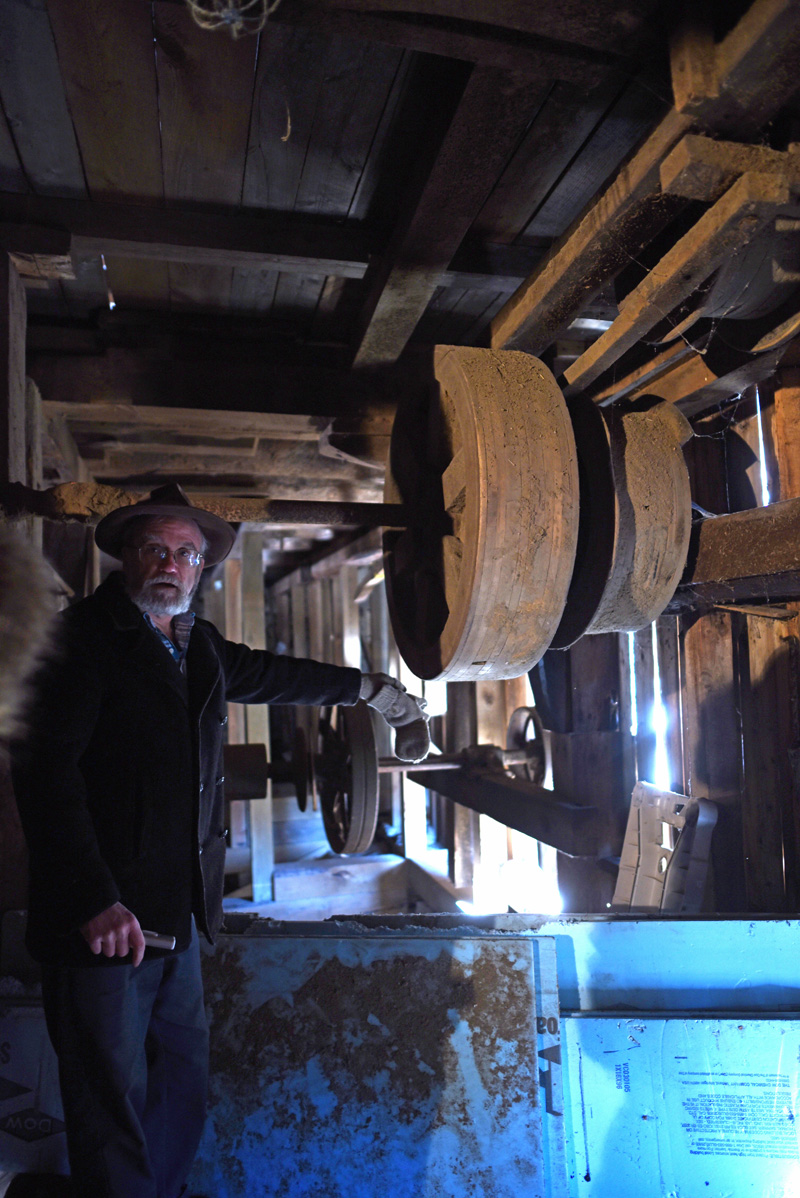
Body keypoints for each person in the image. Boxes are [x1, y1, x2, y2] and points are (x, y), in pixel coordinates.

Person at [11, 484, 429, 1198]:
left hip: (178, 922)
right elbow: (43, 773)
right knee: (110, 1104)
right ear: (127, 559)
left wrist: (376, 690)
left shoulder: (196, 646)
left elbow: (275, 675)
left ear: (202, 569)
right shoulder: (82, 640)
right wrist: (93, 899)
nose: (170, 564)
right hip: (105, 927)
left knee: (181, 1088)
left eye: (185, 553)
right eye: (154, 549)